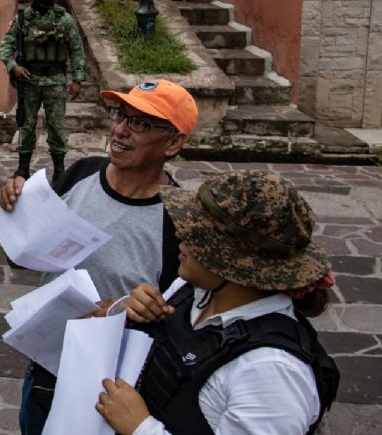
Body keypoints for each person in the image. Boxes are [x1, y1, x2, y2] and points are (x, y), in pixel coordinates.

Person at [0, 79, 199, 435]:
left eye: (139, 123)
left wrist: (125, 308)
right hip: (45, 371)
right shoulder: (82, 173)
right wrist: (16, 210)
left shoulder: (177, 221)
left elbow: (178, 322)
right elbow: (21, 259)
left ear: (174, 142)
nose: (120, 130)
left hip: (112, 392)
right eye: (120, 115)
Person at [96, 170, 339, 435]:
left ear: (230, 264)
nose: (181, 235)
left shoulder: (271, 373)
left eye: (197, 234)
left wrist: (140, 427)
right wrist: (126, 308)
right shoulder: (194, 290)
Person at [0, 0, 87, 183]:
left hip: (55, 81)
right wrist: (13, 67)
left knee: (56, 126)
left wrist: (77, 79)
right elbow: (5, 47)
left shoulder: (64, 20)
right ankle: (22, 168)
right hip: (29, 81)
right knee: (26, 126)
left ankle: (59, 170)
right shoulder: (22, 20)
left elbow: (76, 50)